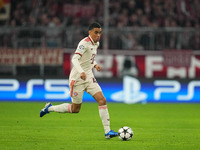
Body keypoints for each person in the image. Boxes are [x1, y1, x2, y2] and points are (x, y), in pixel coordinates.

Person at [40, 22, 118, 139]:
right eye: (96, 32)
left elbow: (88, 59)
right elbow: (75, 59)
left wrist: (95, 65)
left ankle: (107, 132)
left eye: (100, 33)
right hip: (77, 79)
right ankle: (49, 108)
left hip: (89, 77)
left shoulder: (96, 44)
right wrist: (81, 71)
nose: (98, 35)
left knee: (102, 100)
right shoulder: (84, 43)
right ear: (90, 32)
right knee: (75, 109)